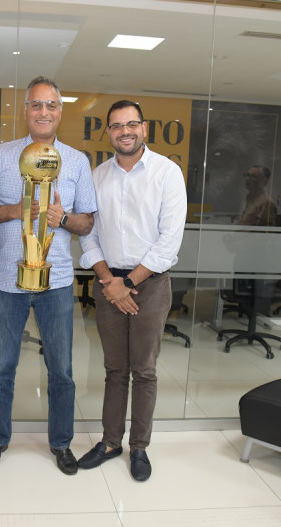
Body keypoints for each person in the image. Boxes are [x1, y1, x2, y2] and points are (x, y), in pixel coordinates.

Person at [0, 76, 96, 475]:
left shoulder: (78, 161)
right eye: (36, 105)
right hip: (8, 282)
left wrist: (62, 217)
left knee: (61, 370)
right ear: (25, 110)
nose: (44, 112)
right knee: (2, 369)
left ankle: (61, 444)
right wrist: (17, 209)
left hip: (58, 282)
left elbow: (87, 224)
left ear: (60, 111)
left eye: (51, 105)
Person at [77, 100, 187, 482]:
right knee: (114, 370)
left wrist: (127, 283)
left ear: (143, 128)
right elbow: (88, 235)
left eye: (131, 124)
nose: (125, 131)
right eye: (116, 125)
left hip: (150, 284)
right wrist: (110, 280)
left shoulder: (167, 173)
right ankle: (110, 442)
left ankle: (139, 446)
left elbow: (168, 241)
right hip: (109, 284)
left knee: (144, 370)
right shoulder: (97, 176)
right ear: (108, 132)